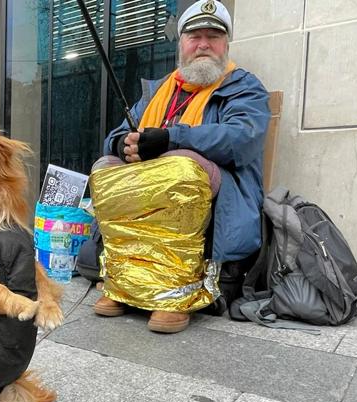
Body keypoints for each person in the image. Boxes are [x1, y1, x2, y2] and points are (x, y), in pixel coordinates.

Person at [91, 0, 271, 333]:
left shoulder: (244, 87)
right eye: (194, 36)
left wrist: (172, 138)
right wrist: (123, 145)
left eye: (213, 36)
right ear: (181, 45)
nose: (203, 44)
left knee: (180, 167)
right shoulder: (158, 90)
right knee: (106, 167)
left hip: (214, 197)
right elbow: (117, 136)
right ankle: (123, 281)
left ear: (226, 44)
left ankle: (175, 294)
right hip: (149, 187)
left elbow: (241, 139)